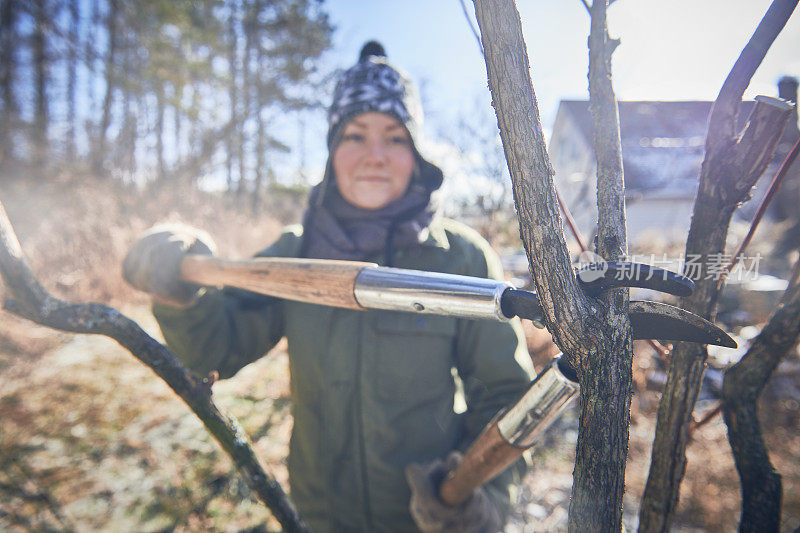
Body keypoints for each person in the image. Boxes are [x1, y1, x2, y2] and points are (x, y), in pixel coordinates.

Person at [123, 41, 535, 533]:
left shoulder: (461, 261)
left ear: (418, 152)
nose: (375, 156)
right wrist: (179, 287)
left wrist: (478, 497)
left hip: (419, 523)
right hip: (317, 516)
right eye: (355, 135)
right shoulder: (295, 255)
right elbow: (215, 347)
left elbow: (506, 399)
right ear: (331, 150)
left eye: (395, 137)